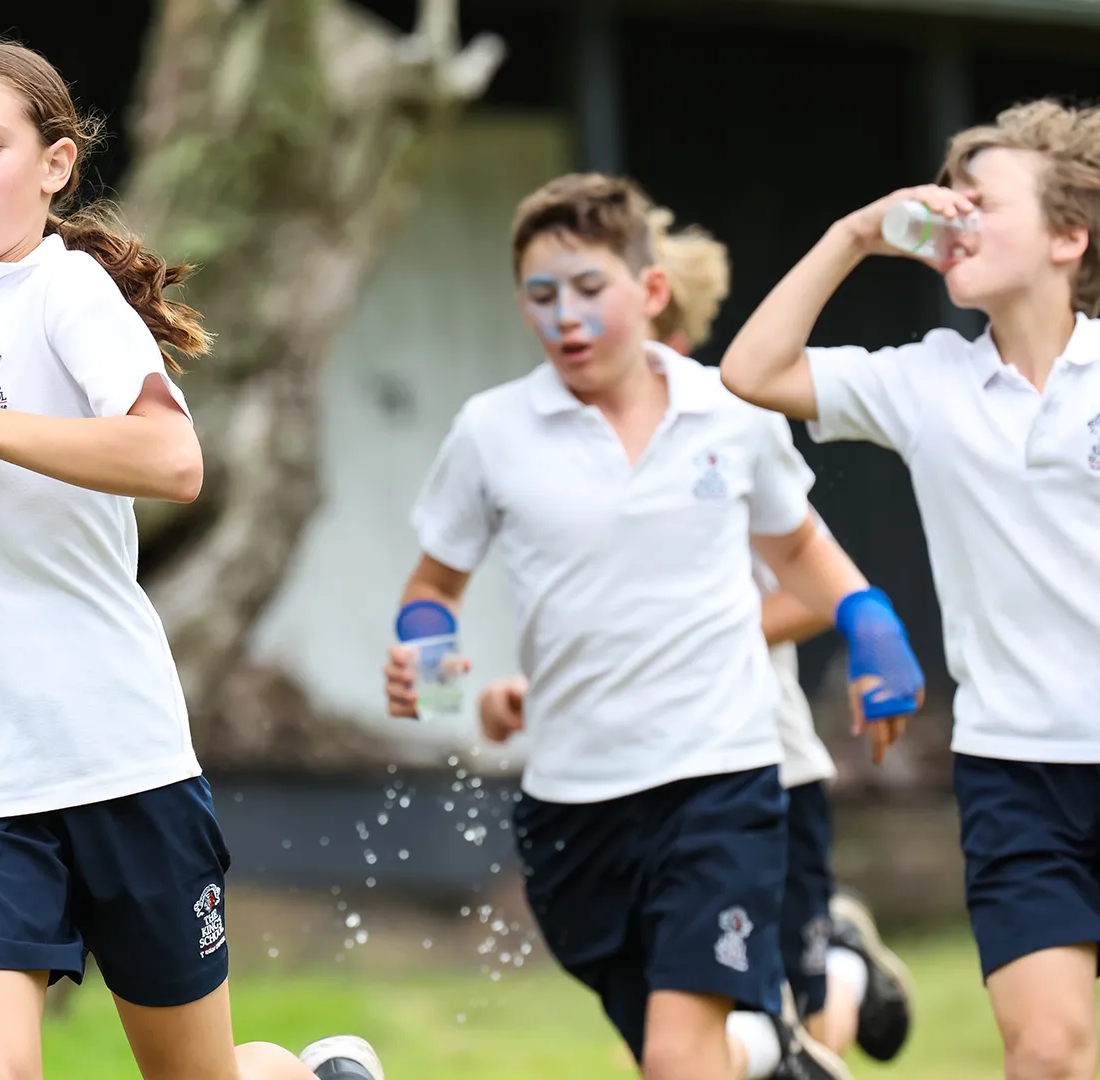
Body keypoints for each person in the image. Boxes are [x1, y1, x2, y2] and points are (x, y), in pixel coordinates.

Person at [0, 37, 382, 1080]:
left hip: (114, 756)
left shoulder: (70, 295)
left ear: (54, 165)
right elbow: (7, 504)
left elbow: (171, 461)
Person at [382, 172, 925, 1080]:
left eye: (590, 290)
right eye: (542, 296)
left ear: (652, 291)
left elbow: (800, 549)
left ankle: (785, 1032)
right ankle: (784, 1050)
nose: (566, 316)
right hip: (574, 807)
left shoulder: (732, 411)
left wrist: (871, 621)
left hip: (720, 783)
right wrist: (425, 645)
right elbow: (434, 581)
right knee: (680, 1059)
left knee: (678, 1058)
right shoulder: (493, 431)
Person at [718, 99, 1100, 1080]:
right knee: (1048, 1057)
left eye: (982, 202)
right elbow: (751, 368)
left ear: (1068, 236)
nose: (954, 220)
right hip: (1016, 775)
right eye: (948, 203)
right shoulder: (924, 383)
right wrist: (855, 234)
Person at [647, 207, 914, 1065]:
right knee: (674, 1024)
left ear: (671, 328)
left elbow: (815, 588)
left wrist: (695, 640)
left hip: (766, 759)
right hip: (649, 771)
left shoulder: (724, 436)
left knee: (795, 1017)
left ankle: (838, 967)